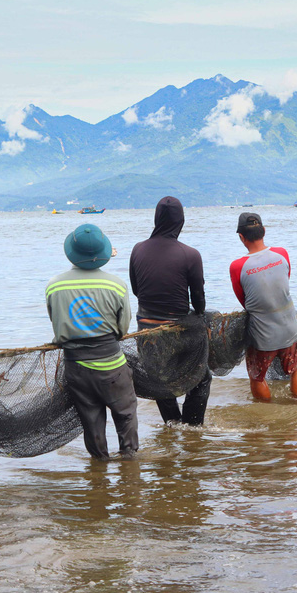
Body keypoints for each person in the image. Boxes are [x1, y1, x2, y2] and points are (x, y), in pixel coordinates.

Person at [46, 224, 137, 460]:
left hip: (76, 368)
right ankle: (129, 467)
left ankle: (99, 473)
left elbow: (56, 324)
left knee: (92, 421)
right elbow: (123, 328)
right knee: (125, 415)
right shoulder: (116, 285)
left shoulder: (54, 285)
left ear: (72, 253)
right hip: (112, 365)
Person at [128, 196, 211, 426]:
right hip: (179, 330)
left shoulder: (137, 249)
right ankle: (192, 427)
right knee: (201, 378)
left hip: (146, 331)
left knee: (159, 380)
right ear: (180, 222)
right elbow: (198, 299)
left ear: (156, 219)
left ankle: (173, 423)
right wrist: (200, 316)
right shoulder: (190, 254)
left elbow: (137, 290)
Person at [229, 212, 297, 401]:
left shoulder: (237, 266)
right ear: (264, 230)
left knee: (257, 376)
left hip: (262, 335)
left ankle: (265, 413)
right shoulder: (282, 253)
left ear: (241, 237)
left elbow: (244, 300)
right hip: (289, 327)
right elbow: (283, 284)